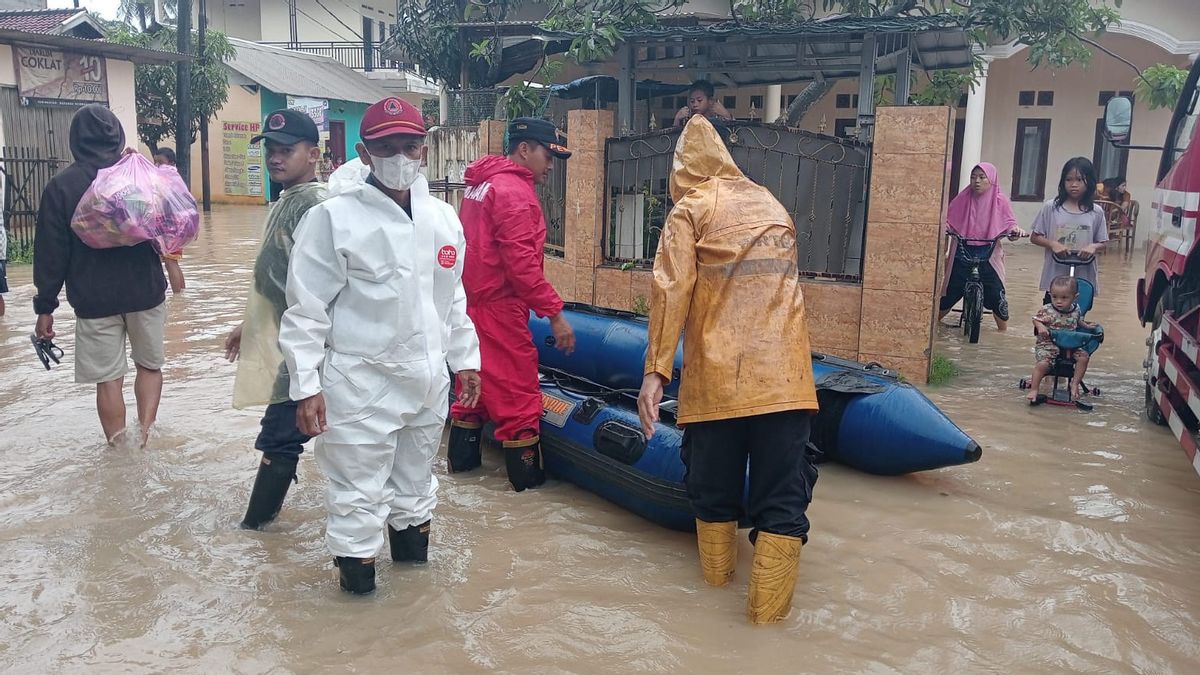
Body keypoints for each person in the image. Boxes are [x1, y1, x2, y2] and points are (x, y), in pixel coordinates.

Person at [278, 97, 481, 595]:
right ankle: (361, 617)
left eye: (408, 145)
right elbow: (306, 313)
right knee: (356, 500)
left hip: (427, 382)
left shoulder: (442, 218)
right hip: (359, 385)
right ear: (365, 154)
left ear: (424, 150)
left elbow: (451, 296)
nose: (399, 155)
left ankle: (413, 614)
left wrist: (466, 361)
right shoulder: (332, 220)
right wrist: (306, 388)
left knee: (416, 493)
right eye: (385, 146)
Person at [636, 115, 820, 625]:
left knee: (713, 496)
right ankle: (765, 635)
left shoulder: (690, 209)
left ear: (682, 171)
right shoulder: (771, 204)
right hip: (787, 383)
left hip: (719, 383)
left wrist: (655, 372)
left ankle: (713, 608)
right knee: (782, 504)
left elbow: (671, 291)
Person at [446, 118, 575, 491]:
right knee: (519, 401)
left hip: (470, 305)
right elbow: (521, 264)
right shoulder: (515, 194)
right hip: (500, 308)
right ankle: (528, 497)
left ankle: (462, 474)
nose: (550, 165)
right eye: (547, 155)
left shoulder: (480, 185)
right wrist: (553, 313)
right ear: (524, 149)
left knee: (472, 393)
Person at [33, 104, 168, 446]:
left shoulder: (61, 187)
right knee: (149, 366)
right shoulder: (137, 177)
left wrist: (45, 307)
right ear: (117, 136)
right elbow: (168, 224)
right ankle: (147, 436)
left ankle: (118, 447)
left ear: (74, 140)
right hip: (145, 291)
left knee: (108, 379)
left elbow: (51, 253)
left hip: (94, 299)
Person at [224, 109, 327, 530]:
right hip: (293, 340)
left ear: (313, 154)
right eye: (271, 149)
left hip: (308, 345)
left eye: (287, 150)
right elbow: (275, 279)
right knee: (293, 433)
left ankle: (256, 533)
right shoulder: (291, 201)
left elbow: (312, 288)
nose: (275, 158)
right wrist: (248, 324)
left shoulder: (312, 205)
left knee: (280, 437)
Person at [938, 163, 1026, 331]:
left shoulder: (1001, 201)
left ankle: (1002, 334)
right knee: (949, 292)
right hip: (963, 250)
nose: (976, 181)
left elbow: (1010, 224)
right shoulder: (963, 198)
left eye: (981, 177)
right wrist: (947, 228)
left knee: (997, 295)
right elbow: (949, 220)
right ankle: (934, 325)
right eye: (973, 177)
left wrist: (1015, 231)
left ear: (991, 179)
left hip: (989, 253)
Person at [1030, 157, 1108, 303]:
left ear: (1089, 181)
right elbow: (1035, 237)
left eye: (1079, 180)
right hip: (1055, 277)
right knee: (1049, 316)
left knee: (1077, 318)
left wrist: (1093, 247)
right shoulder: (1051, 208)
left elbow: (1103, 243)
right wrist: (1053, 244)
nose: (1073, 185)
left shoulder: (1096, 212)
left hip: (1083, 276)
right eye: (1068, 180)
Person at [1027, 276, 1096, 402]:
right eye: (1055, 297)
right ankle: (1034, 389)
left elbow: (1078, 321)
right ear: (1050, 295)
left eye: (1064, 298)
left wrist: (1087, 326)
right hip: (1049, 344)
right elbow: (1035, 319)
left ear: (1075, 297)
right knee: (1042, 364)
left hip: (1071, 345)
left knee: (1084, 357)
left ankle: (1074, 384)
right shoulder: (1047, 309)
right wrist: (1041, 326)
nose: (1058, 301)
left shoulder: (1076, 309)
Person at [153, 147, 187, 294]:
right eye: (155, 162)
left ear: (171, 163)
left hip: (170, 226)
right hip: (177, 225)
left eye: (160, 162)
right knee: (174, 261)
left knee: (170, 262)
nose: (157, 166)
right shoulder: (175, 178)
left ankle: (177, 297)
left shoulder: (168, 179)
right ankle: (182, 294)